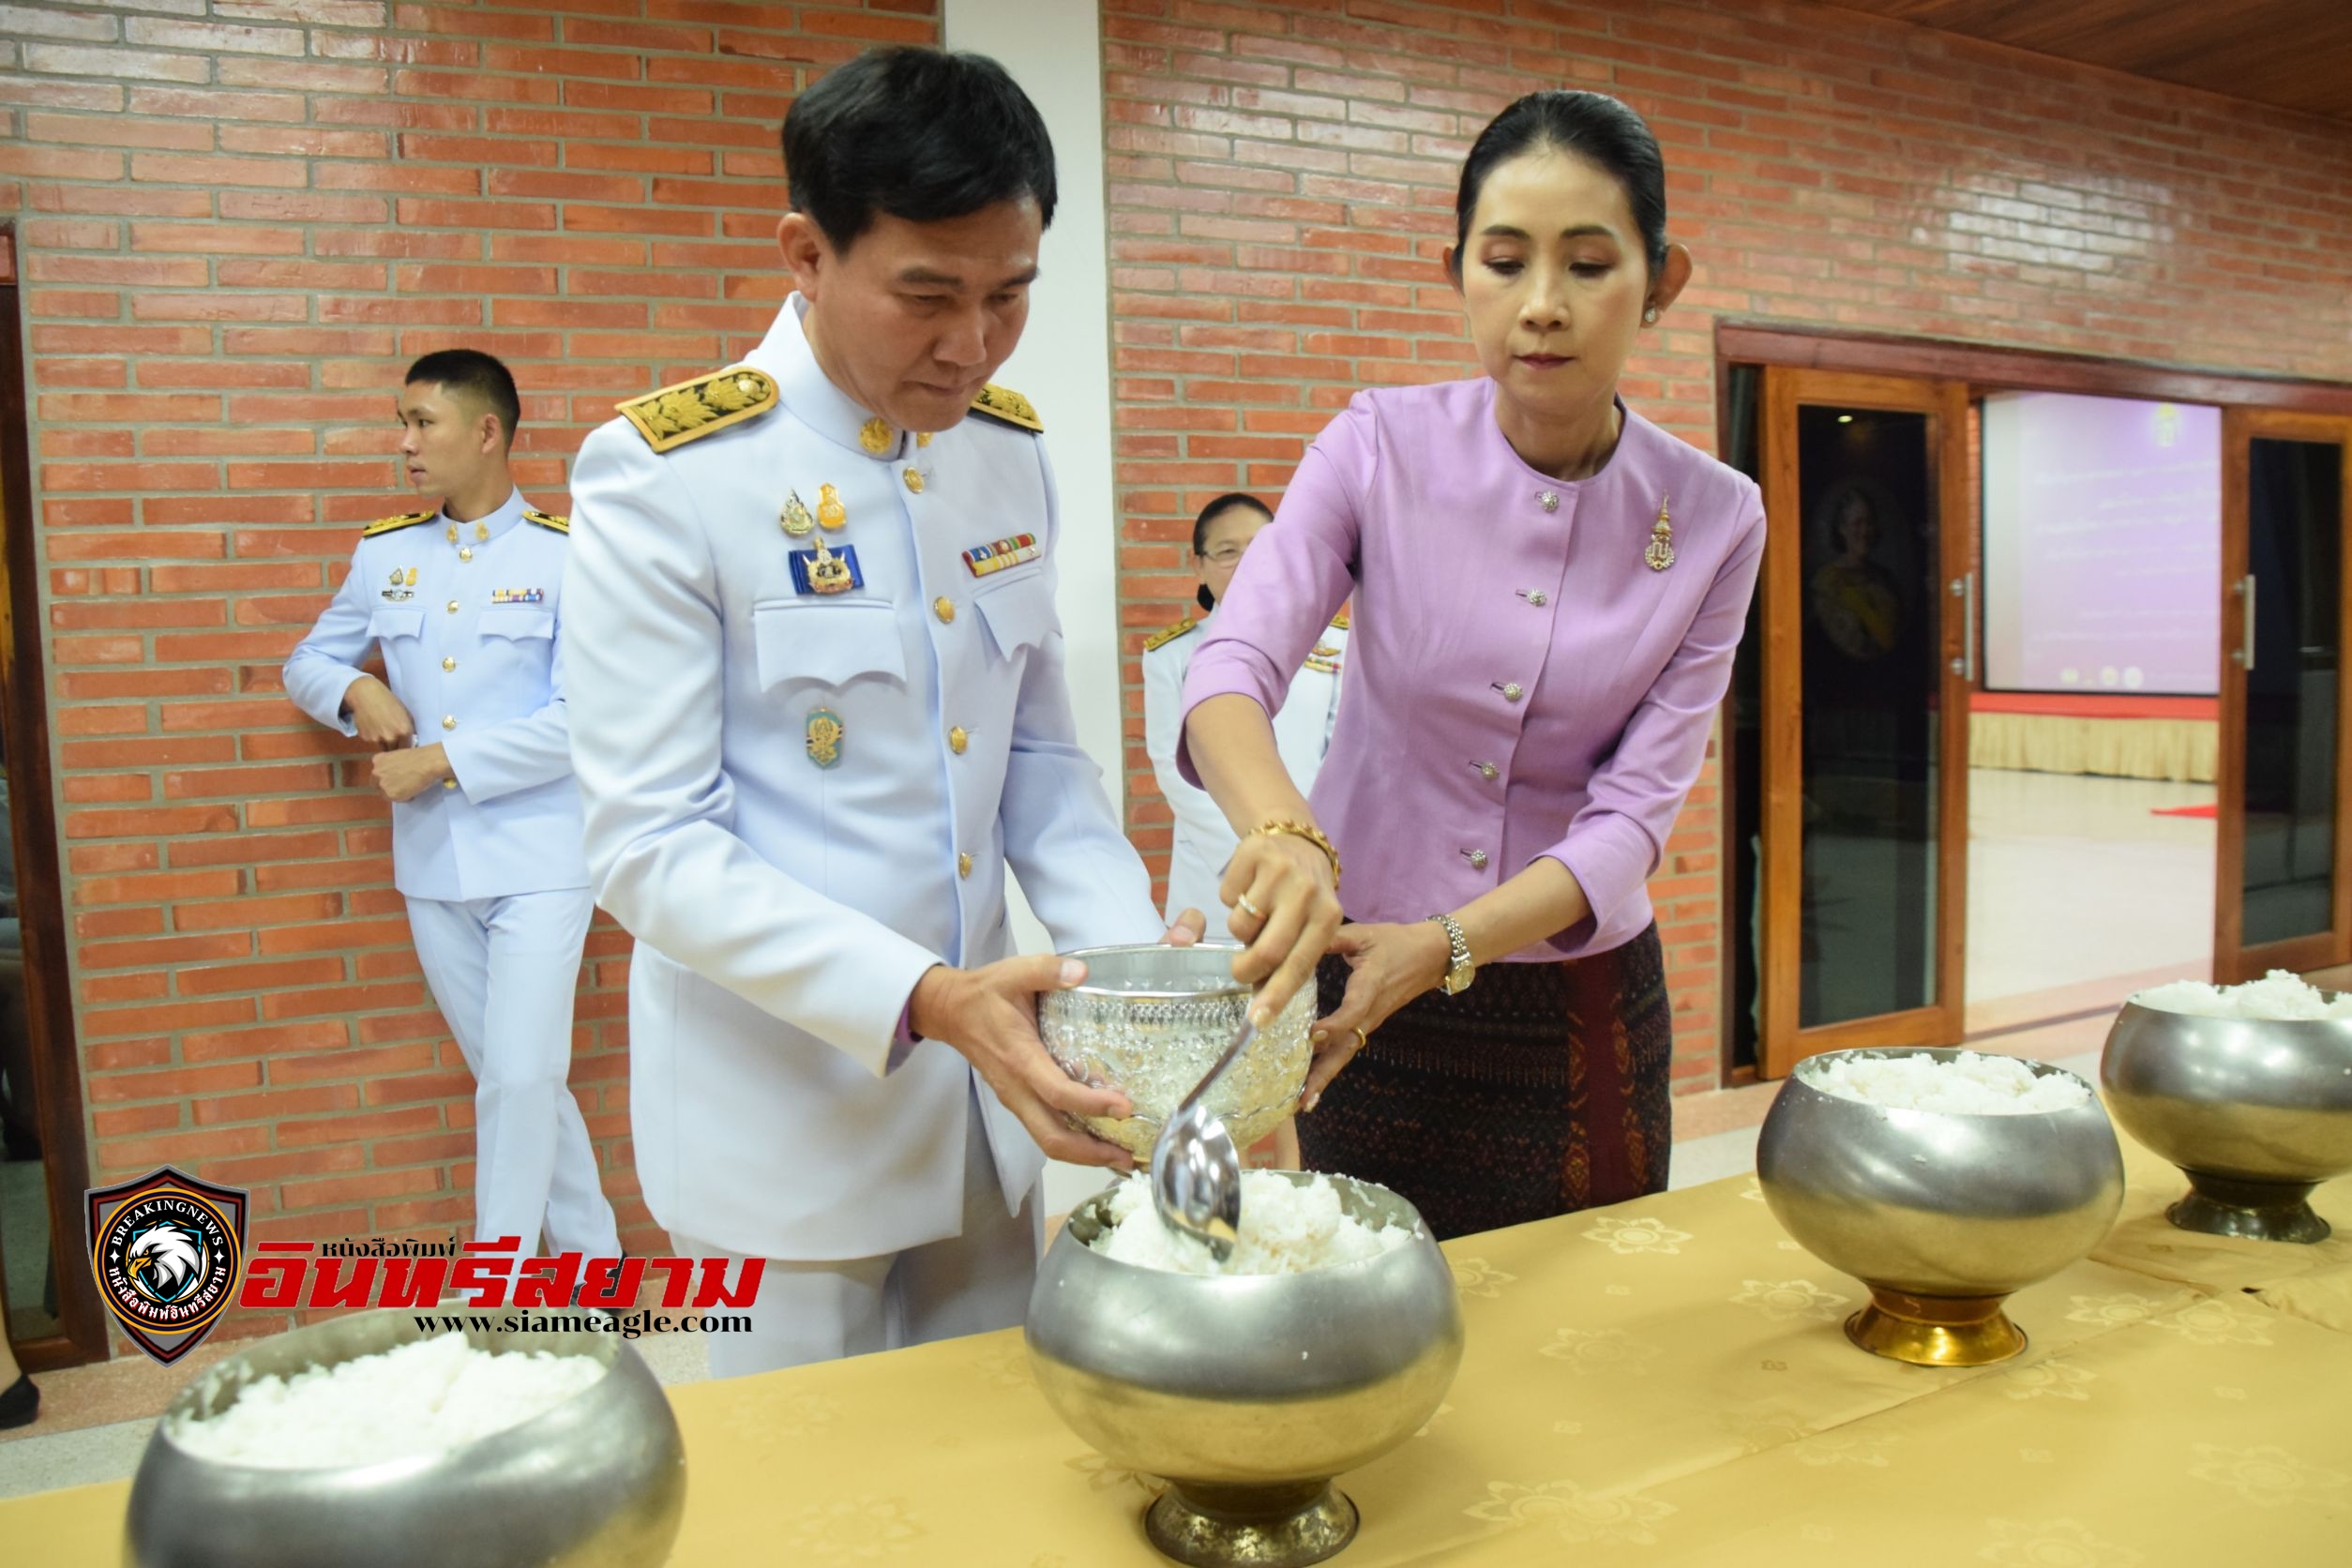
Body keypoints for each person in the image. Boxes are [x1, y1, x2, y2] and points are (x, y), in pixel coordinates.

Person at [562, 46, 1200, 1378]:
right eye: (927, 295)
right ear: (806, 253)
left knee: (990, 1461)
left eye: (1010, 296)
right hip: (778, 1140)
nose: (971, 344)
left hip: (983, 1123)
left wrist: (1141, 981)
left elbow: (1040, 765)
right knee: (805, 1503)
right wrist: (924, 995)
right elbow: (647, 844)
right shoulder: (671, 475)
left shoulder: (1005, 454)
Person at [1179, 91, 1765, 1241]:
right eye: (1504, 262)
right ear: (1458, 271)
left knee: (1583, 1330)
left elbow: (1634, 815)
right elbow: (1232, 662)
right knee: (1342, 1300)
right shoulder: (1377, 444)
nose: (1541, 307)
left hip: (1572, 996)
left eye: (1589, 264)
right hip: (1353, 977)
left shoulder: (1715, 515)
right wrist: (1283, 833)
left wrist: (1449, 944)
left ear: (1663, 280)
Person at [282, 350, 621, 1268]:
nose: (405, 443)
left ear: (487, 431)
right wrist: (356, 689)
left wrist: (440, 760)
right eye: (403, 422)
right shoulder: (386, 554)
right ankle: (596, 1268)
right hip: (434, 866)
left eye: (423, 422)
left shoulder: (566, 555)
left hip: (543, 858)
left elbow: (584, 719)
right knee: (521, 1084)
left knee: (517, 1076)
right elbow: (305, 659)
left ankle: (499, 1291)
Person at [1143, 492, 1347, 928]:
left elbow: (1346, 755)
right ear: (1197, 565)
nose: (1245, 562)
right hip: (1217, 871)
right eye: (1226, 552)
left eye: (1259, 547)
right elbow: (1171, 766)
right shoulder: (1170, 655)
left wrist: (1307, 848)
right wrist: (1255, 852)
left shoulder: (1337, 642)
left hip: (1315, 861)